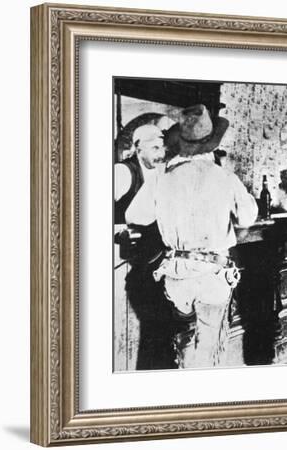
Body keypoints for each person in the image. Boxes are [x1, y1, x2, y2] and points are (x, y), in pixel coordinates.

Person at [126, 104, 258, 368]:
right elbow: (248, 218)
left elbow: (135, 216)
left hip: (177, 276)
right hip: (213, 275)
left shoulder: (162, 178)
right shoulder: (225, 178)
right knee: (209, 341)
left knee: (184, 337)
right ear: (211, 145)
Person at [114, 117, 180, 370]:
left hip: (150, 265)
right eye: (154, 148)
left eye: (162, 148)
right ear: (138, 147)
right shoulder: (122, 172)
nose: (160, 153)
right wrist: (119, 230)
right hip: (122, 262)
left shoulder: (162, 176)